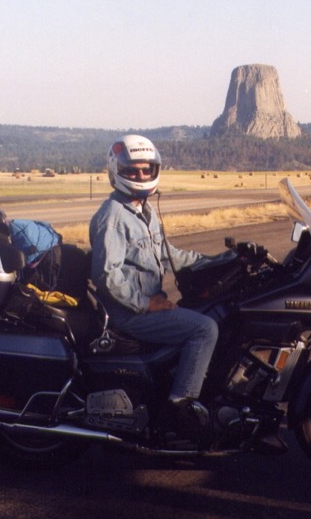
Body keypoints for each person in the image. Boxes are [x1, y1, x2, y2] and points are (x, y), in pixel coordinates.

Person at [89, 134, 217, 439]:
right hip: (130, 314)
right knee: (205, 329)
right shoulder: (113, 216)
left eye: (148, 170)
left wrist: (221, 260)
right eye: (133, 170)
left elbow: (167, 254)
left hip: (146, 305)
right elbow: (107, 276)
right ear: (116, 171)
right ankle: (180, 406)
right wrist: (146, 304)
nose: (142, 176)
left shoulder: (143, 211)